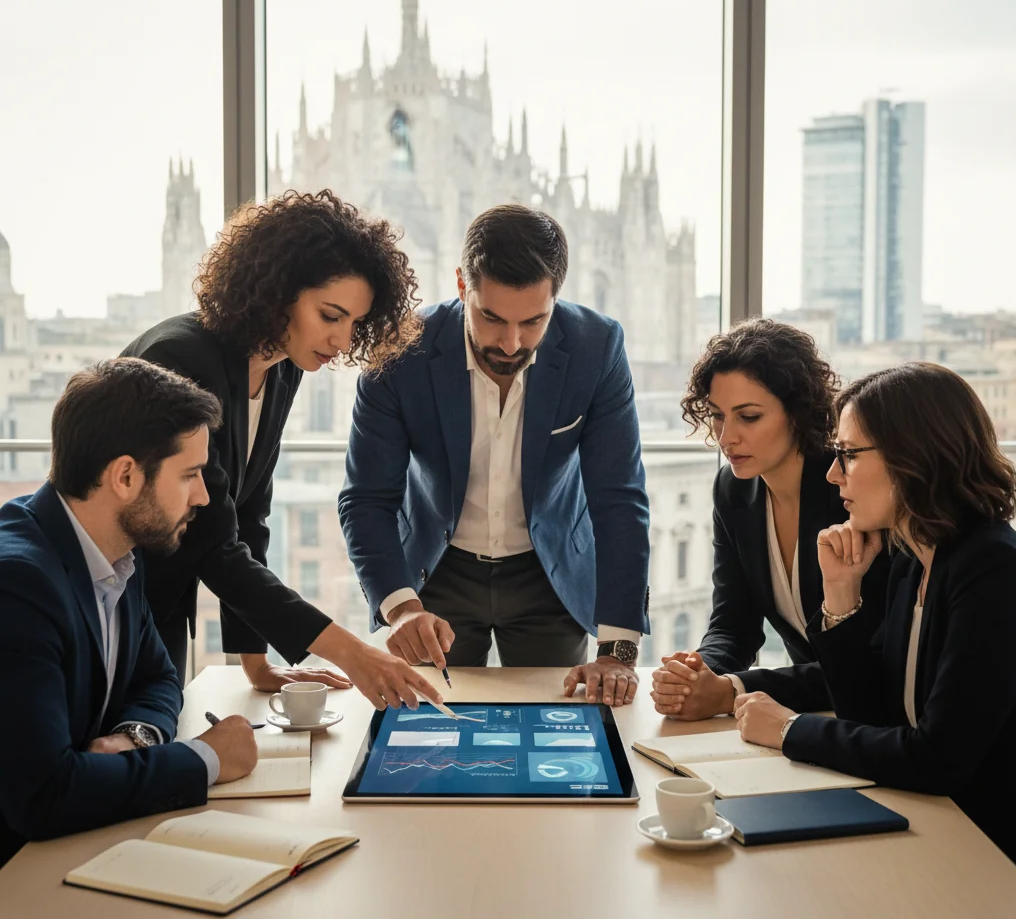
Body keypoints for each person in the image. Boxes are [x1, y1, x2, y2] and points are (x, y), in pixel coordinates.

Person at [123, 189, 442, 712]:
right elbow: (212, 543)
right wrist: (354, 653)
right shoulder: (179, 357)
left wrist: (257, 664)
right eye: (330, 315)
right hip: (110, 600)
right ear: (277, 292)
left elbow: (247, 515)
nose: (342, 340)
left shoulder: (283, 366)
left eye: (354, 324)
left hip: (161, 600)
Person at [339, 203, 650, 706]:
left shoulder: (598, 346)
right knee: (426, 732)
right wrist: (400, 608)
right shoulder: (399, 351)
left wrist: (617, 649)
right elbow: (367, 498)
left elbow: (618, 499)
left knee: (558, 726)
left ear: (556, 298)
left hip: (548, 576)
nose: (510, 342)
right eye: (491, 317)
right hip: (434, 575)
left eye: (533, 321)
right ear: (463, 285)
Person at [733, 363, 1016, 869]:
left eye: (847, 455)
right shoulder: (915, 562)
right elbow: (870, 718)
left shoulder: (994, 570)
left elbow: (937, 760)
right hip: (931, 827)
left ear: (914, 456)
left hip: (988, 852)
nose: (832, 473)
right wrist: (842, 593)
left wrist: (790, 729)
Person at [0, 359, 260, 866]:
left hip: (81, 844)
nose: (203, 496)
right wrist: (206, 758)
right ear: (124, 476)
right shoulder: (18, 585)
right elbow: (43, 796)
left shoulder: (118, 551)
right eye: (189, 475)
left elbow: (157, 677)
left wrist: (133, 737)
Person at [650, 319, 886, 720]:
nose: (726, 438)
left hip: (871, 712)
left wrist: (731, 690)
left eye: (749, 417)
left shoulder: (852, 491)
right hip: (809, 710)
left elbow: (873, 656)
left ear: (797, 413)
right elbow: (733, 623)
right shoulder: (733, 489)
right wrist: (697, 672)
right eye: (717, 415)